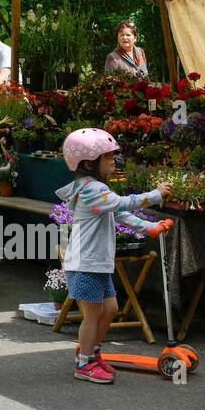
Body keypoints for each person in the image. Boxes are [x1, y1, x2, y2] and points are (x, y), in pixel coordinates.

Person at [58, 128, 173, 383]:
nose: (113, 161)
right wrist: (154, 196)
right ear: (89, 162)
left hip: (97, 262)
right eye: (108, 157)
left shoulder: (97, 187)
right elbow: (122, 204)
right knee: (93, 314)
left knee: (110, 309)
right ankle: (84, 363)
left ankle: (91, 353)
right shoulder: (90, 189)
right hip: (86, 263)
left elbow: (118, 213)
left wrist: (149, 228)